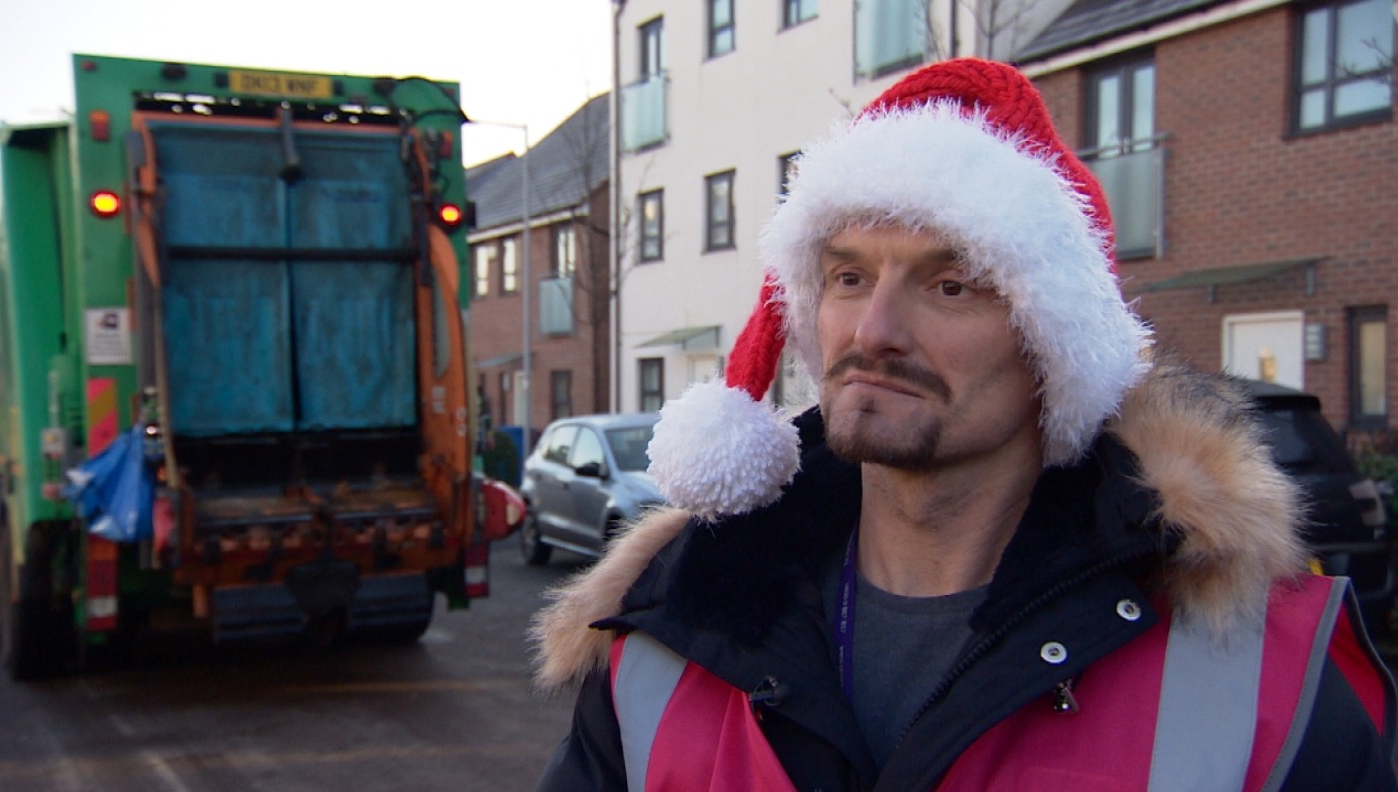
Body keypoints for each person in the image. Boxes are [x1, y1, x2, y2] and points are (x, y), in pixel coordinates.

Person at [529, 58, 1398, 790]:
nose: (874, 332)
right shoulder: (675, 623)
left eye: (952, 285)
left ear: (1051, 345)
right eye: (848, 277)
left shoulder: (1253, 668)